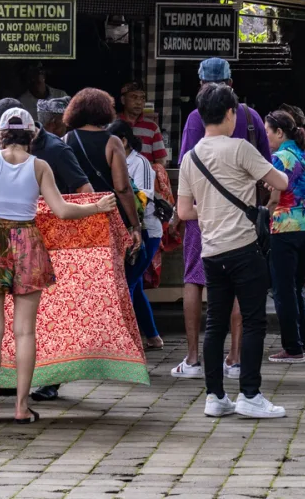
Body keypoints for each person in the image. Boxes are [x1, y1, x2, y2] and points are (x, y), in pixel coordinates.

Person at [0, 108, 118, 424]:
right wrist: (96, 207)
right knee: (25, 332)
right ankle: (21, 408)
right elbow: (61, 210)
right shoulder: (40, 166)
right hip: (28, 243)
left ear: (1, 133)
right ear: (32, 134)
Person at [178, 83, 290, 419]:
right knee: (253, 321)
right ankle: (250, 395)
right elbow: (281, 182)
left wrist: (211, 210)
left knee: (215, 324)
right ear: (230, 114)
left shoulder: (190, 157)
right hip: (243, 246)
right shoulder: (241, 148)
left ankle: (215, 397)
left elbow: (184, 212)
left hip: (211, 250)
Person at [172, 57, 270, 379]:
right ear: (231, 82)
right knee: (242, 284)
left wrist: (180, 212)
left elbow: (187, 164)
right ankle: (235, 358)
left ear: (201, 84)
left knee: (195, 279)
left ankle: (193, 359)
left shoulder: (196, 118)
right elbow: (269, 171)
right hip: (243, 216)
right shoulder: (251, 117)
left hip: (202, 215)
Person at [264, 110, 305, 363]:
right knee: (296, 287)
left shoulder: (279, 158)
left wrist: (263, 215)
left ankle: (292, 348)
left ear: (279, 132)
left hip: (284, 227)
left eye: (268, 131)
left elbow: (276, 197)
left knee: (282, 290)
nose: (266, 137)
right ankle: (303, 344)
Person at [108, 119, 164, 349]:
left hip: (146, 231)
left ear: (122, 141)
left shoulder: (140, 163)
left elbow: (144, 196)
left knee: (128, 283)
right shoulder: (118, 160)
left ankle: (128, 341)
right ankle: (152, 336)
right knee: (135, 285)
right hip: (130, 230)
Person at [63, 88, 142, 250]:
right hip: (107, 215)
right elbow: (122, 188)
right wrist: (136, 225)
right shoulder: (113, 142)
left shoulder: (66, 139)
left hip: (76, 214)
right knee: (109, 268)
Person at [34, 97, 92, 194]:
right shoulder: (58, 149)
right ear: (54, 123)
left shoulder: (24, 143)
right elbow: (84, 189)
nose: (67, 126)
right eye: (64, 121)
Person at [118, 82, 168, 164]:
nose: (139, 102)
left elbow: (161, 161)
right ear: (123, 100)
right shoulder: (113, 125)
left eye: (142, 98)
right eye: (134, 97)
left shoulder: (152, 127)